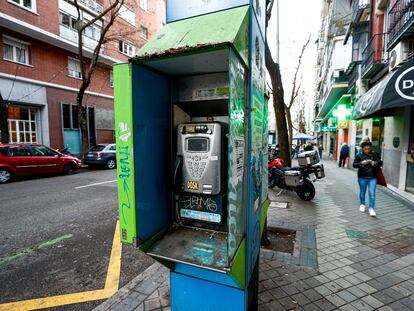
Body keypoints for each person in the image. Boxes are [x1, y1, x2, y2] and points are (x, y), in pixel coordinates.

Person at [353, 141, 383, 217]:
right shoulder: (359, 155)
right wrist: (361, 163)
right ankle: (362, 204)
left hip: (373, 177)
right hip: (362, 177)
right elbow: (354, 164)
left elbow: (380, 162)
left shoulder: (374, 154)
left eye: (368, 148)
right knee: (362, 192)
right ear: (362, 148)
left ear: (370, 148)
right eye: (365, 149)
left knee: (372, 193)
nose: (367, 150)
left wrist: (375, 163)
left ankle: (371, 208)